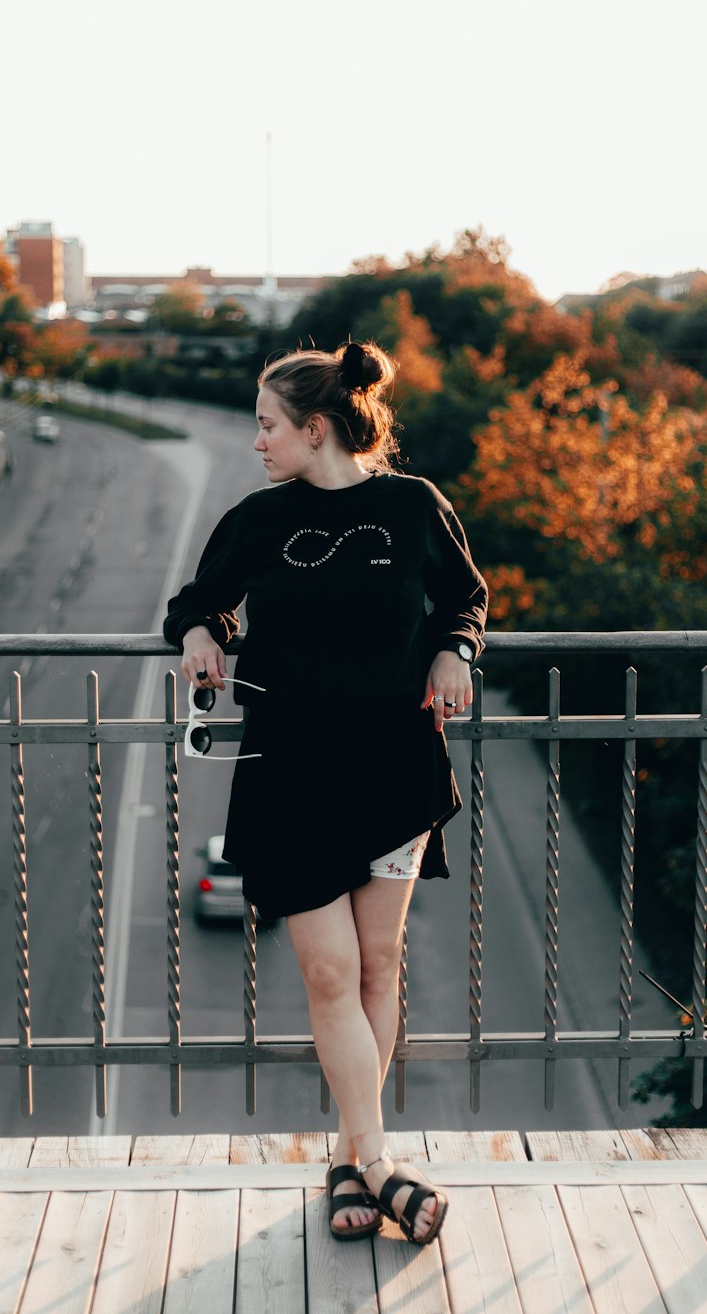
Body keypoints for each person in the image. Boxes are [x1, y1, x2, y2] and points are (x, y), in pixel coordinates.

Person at [164, 340, 487, 1245]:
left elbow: (465, 598)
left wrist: (453, 648)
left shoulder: (413, 506)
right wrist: (197, 632)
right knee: (329, 970)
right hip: (290, 774)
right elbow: (199, 598)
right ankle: (384, 1166)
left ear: (315, 429)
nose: (257, 441)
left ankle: (353, 1157)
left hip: (394, 766)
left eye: (268, 425)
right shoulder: (258, 519)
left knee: (379, 965)